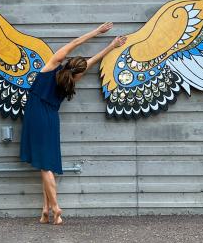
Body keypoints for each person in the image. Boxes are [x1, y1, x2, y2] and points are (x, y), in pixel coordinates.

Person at [19, 22, 127, 225]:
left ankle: (56, 208)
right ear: (79, 73)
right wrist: (112, 46)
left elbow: (76, 43)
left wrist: (96, 32)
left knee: (44, 166)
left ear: (68, 62)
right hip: (51, 117)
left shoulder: (55, 63)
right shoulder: (72, 79)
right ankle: (45, 211)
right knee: (47, 163)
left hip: (36, 114)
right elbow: (92, 61)